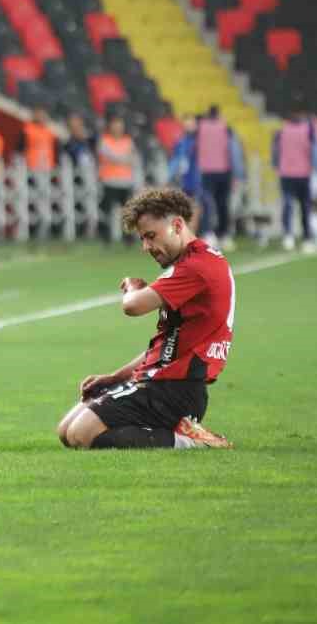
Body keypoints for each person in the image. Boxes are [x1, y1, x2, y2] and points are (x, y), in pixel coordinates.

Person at [56, 186, 234, 451]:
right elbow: (166, 347)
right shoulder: (190, 262)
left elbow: (133, 306)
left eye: (151, 236)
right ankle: (173, 431)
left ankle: (190, 441)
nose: (146, 247)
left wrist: (132, 287)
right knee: (66, 431)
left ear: (176, 225)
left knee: (81, 435)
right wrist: (116, 377)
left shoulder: (196, 267)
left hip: (177, 390)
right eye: (142, 238)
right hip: (159, 381)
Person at [273, 104, 317, 251]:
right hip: (302, 174)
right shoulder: (309, 130)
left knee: (289, 206)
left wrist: (276, 165)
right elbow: (315, 151)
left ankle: (289, 236)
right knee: (303, 206)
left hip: (287, 173)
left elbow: (275, 151)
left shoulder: (282, 130)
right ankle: (305, 237)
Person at [194, 106, 234, 244]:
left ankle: (208, 233)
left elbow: (195, 148)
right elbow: (232, 151)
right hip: (223, 171)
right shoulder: (225, 128)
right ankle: (224, 234)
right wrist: (237, 172)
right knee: (222, 204)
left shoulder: (200, 128)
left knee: (206, 203)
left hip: (206, 171)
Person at [96, 114, 136, 244]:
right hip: (109, 181)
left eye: (120, 125)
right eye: (115, 125)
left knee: (126, 212)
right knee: (106, 211)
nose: (118, 128)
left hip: (125, 181)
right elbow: (109, 155)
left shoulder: (128, 140)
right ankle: (105, 238)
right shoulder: (104, 140)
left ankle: (128, 238)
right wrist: (123, 159)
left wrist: (121, 159)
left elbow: (132, 158)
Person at [21, 107, 57, 172]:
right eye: (39, 115)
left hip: (47, 166)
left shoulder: (50, 133)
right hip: (31, 165)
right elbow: (20, 148)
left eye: (43, 115)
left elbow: (54, 151)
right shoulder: (28, 129)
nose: (41, 117)